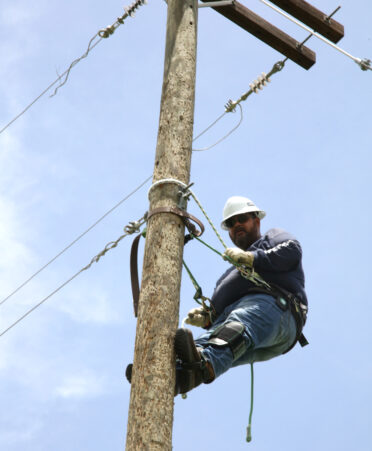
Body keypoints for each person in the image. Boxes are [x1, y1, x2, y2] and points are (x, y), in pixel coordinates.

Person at [174, 196, 308, 395]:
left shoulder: (271, 238)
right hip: (263, 333)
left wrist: (252, 258)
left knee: (234, 329)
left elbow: (292, 250)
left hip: (278, 311)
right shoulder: (229, 275)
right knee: (206, 343)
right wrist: (208, 316)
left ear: (256, 220)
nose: (236, 225)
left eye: (242, 218)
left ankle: (205, 363)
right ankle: (176, 375)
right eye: (230, 223)